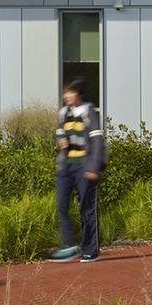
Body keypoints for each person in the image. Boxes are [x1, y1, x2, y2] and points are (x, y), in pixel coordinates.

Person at [49, 77, 105, 262]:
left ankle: (91, 250)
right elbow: (59, 135)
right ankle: (72, 245)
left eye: (70, 92)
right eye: (65, 92)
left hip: (85, 166)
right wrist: (61, 141)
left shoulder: (89, 111)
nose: (66, 95)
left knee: (87, 209)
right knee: (62, 206)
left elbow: (97, 141)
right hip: (66, 167)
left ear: (79, 93)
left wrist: (93, 167)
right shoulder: (64, 113)